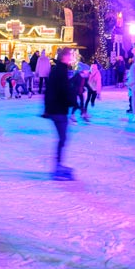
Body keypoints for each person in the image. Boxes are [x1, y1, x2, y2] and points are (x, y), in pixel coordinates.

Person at [44, 48, 76, 180]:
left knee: (62, 138)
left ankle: (58, 165)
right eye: (70, 56)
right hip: (58, 109)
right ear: (64, 57)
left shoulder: (58, 69)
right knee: (62, 138)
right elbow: (62, 90)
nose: (72, 58)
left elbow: (53, 89)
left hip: (56, 108)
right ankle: (58, 167)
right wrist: (73, 101)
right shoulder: (60, 70)